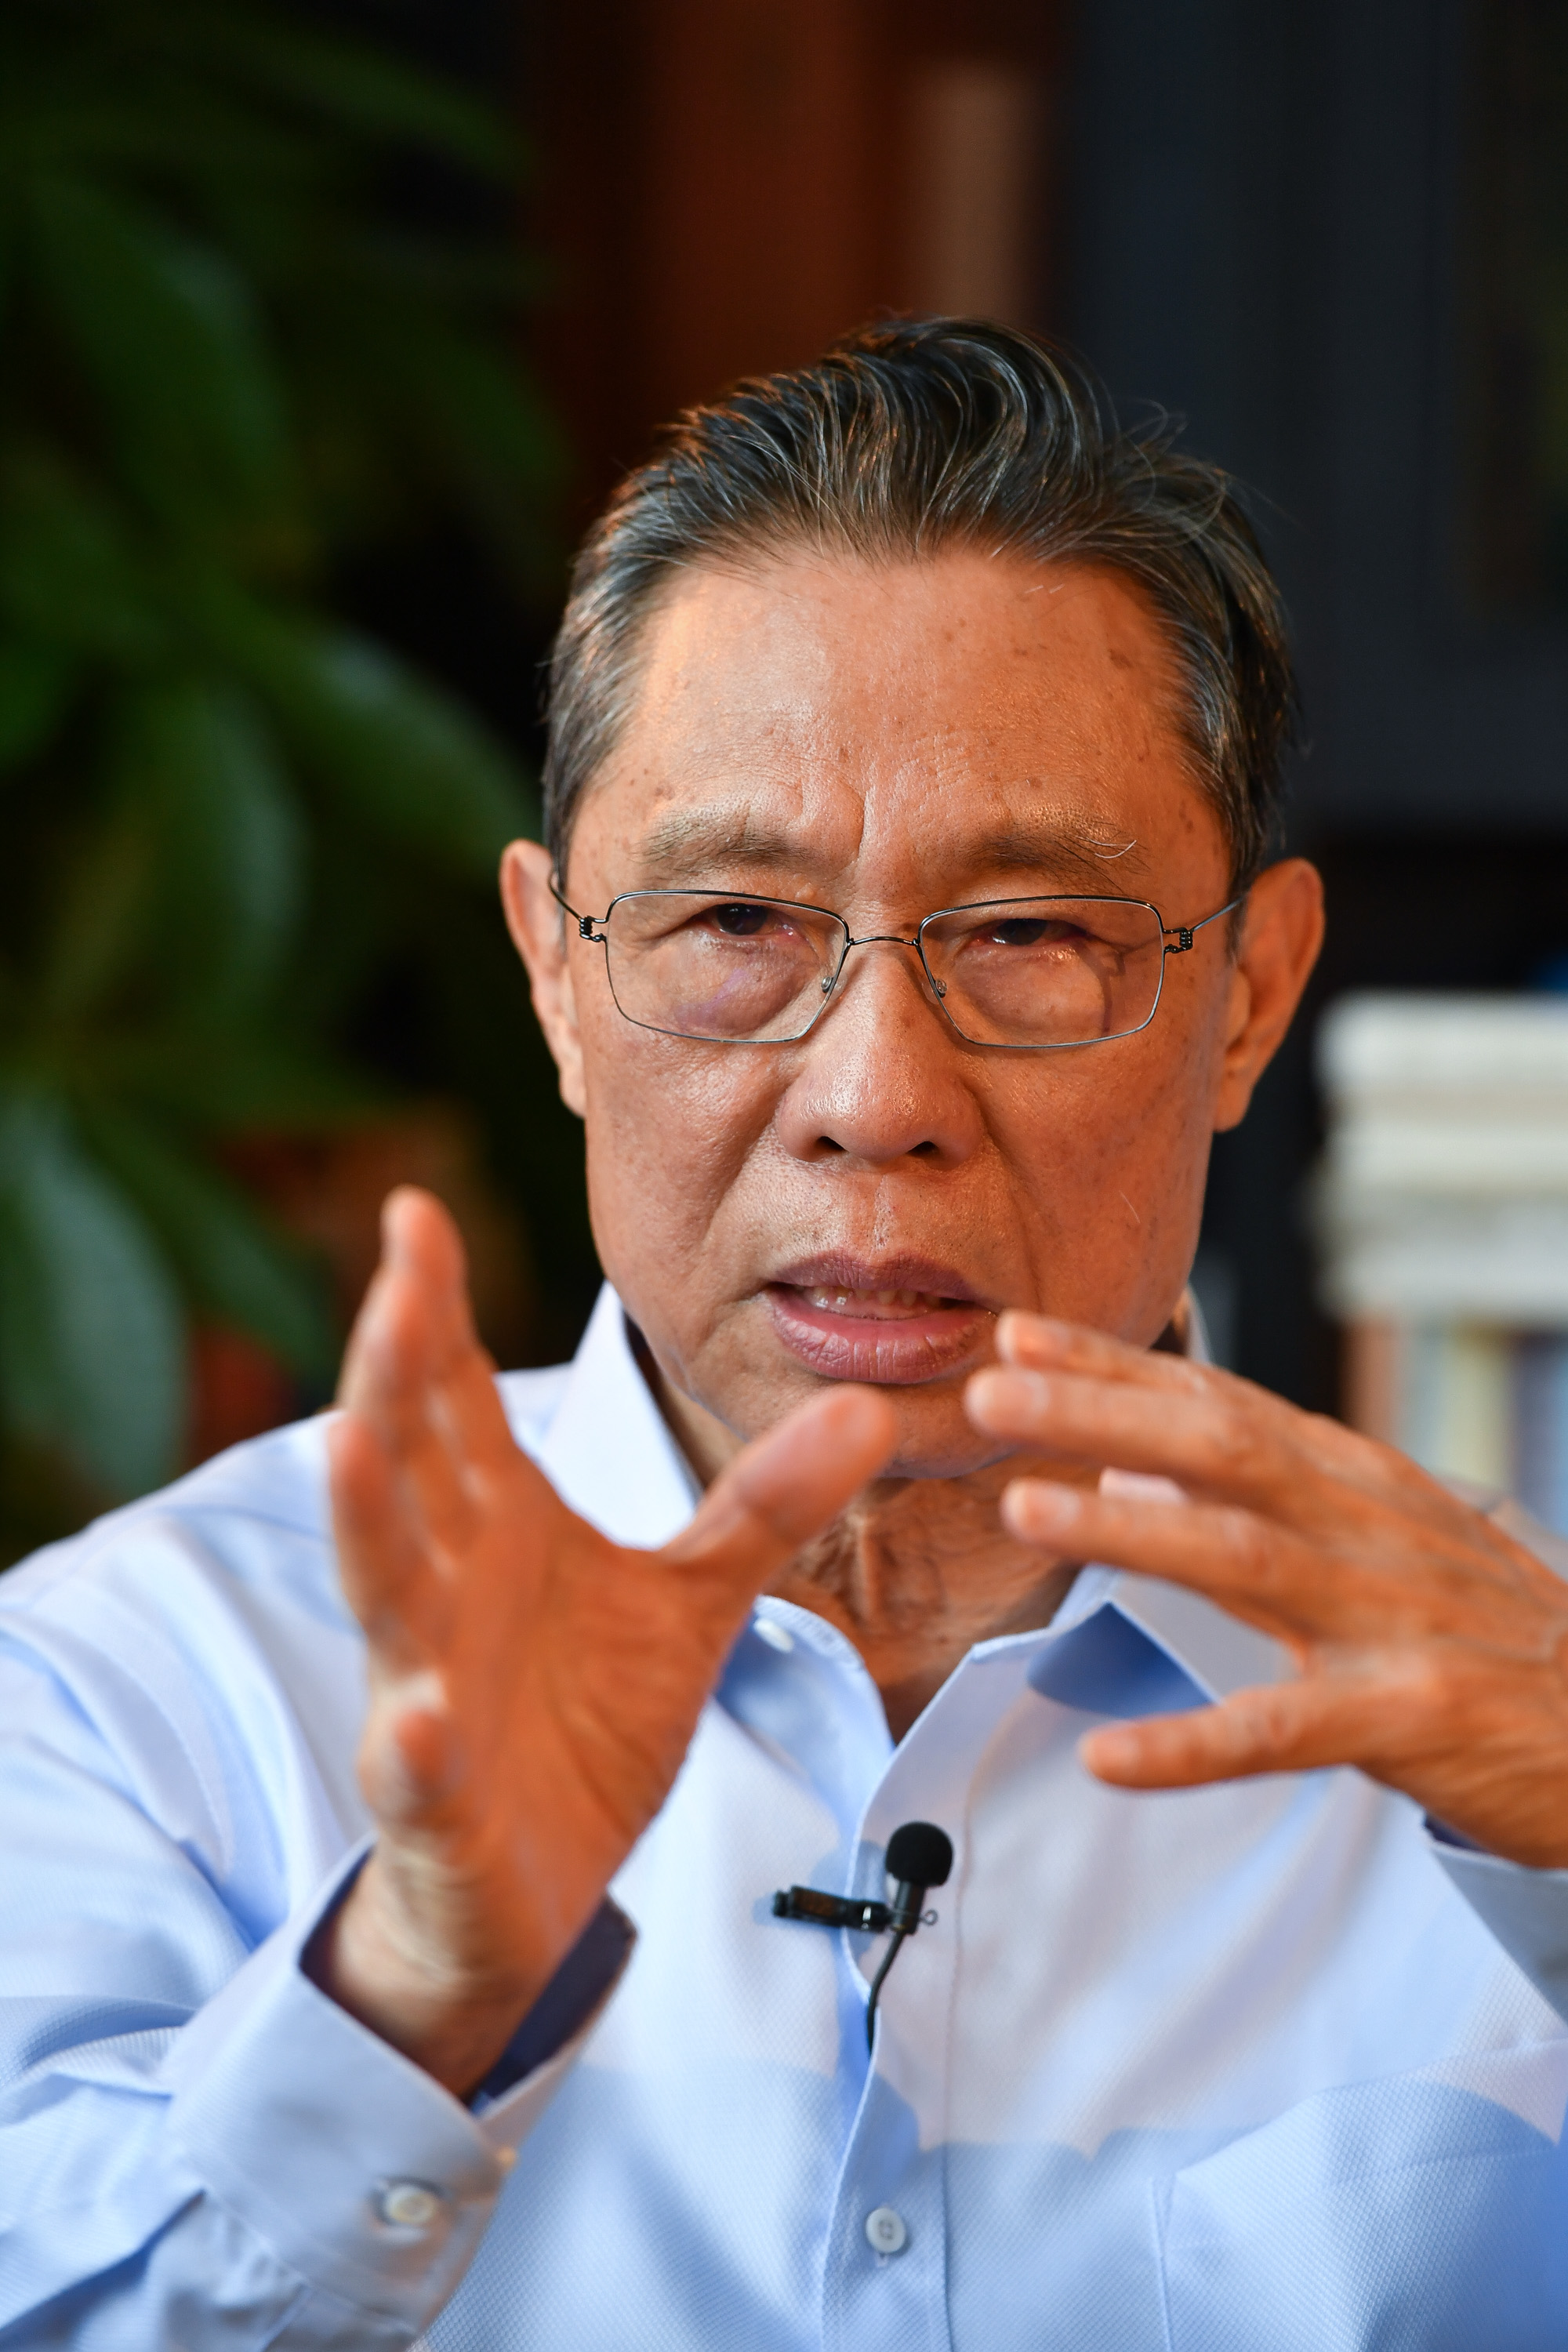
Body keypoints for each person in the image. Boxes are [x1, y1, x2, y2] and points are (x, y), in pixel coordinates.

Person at [5, 319, 1568, 2352]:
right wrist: (409, 1993)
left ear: (1250, 998)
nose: (875, 1095)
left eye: (1031, 935)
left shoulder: (1518, 1714)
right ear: (556, 976)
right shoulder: (137, 1687)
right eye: (737, 923)